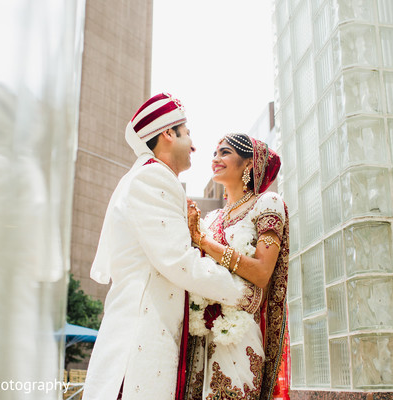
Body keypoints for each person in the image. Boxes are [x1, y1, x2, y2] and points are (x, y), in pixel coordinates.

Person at [83, 94, 263, 400]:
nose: (194, 145)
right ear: (168, 134)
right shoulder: (152, 177)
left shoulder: (149, 176)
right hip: (140, 340)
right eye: (187, 132)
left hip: (153, 334)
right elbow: (180, 261)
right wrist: (243, 292)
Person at [184, 133, 291, 400]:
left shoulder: (267, 203)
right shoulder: (211, 219)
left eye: (225, 153)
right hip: (205, 335)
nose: (215, 159)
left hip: (240, 336)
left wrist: (205, 243)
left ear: (247, 164)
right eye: (214, 154)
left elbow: (262, 273)